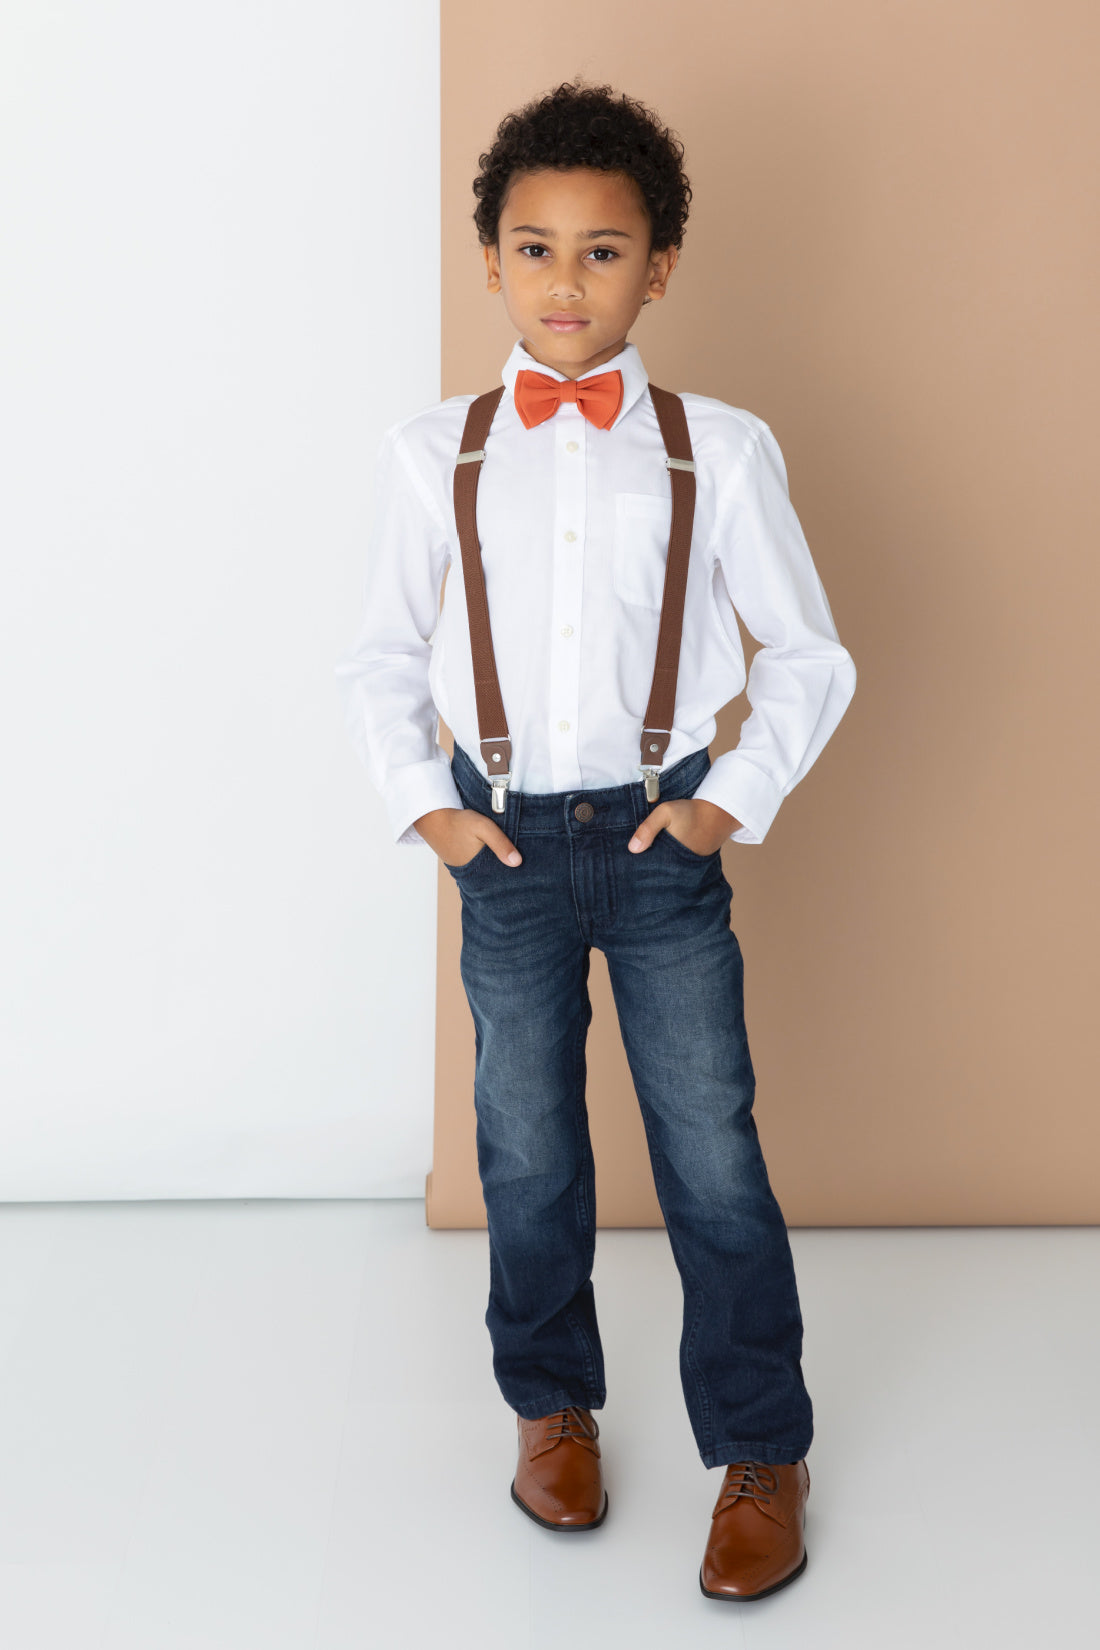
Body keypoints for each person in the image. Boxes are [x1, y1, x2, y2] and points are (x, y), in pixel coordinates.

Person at [334, 78, 856, 1602]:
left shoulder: (721, 450)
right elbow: (382, 653)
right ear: (491, 262)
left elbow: (808, 652)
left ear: (659, 268)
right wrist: (429, 806)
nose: (567, 281)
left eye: (605, 251)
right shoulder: (434, 452)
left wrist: (723, 801)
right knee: (528, 1149)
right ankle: (550, 1404)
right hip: (500, 848)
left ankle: (760, 1445)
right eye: (537, 247)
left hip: (658, 845)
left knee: (711, 1148)